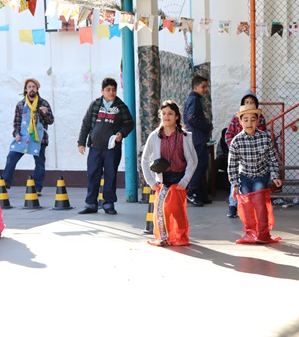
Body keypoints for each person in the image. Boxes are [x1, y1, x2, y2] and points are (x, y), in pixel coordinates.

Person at [141, 100, 198, 246]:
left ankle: (179, 237)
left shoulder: (185, 136)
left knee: (177, 210)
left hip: (179, 178)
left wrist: (184, 181)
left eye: (170, 114)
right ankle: (163, 237)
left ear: (177, 116)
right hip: (163, 179)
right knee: (162, 209)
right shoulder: (154, 136)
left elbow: (192, 161)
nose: (167, 117)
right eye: (164, 113)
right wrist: (151, 181)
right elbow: (145, 159)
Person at [77, 77, 134, 215]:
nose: (111, 92)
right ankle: (91, 204)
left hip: (112, 149)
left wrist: (121, 134)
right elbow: (85, 124)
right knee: (93, 174)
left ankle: (108, 204)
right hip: (95, 147)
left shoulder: (120, 107)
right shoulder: (95, 105)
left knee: (110, 175)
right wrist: (81, 143)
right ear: (102, 91)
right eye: (108, 90)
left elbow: (129, 124)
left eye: (114, 90)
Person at [228, 104, 281, 244]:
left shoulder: (265, 138)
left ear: (257, 121)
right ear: (240, 122)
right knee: (247, 205)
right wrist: (235, 184)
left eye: (253, 119)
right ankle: (250, 233)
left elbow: (272, 159)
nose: (249, 123)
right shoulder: (236, 141)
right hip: (245, 177)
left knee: (259, 202)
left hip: (261, 175)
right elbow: (232, 165)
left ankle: (263, 233)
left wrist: (275, 176)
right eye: (245, 120)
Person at [2, 78, 54, 195]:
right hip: (23, 137)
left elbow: (50, 121)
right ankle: (5, 182)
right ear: (26, 89)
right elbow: (17, 122)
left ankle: (37, 188)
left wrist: (45, 113)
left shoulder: (44, 104)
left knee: (40, 163)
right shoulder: (20, 105)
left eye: (34, 87)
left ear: (37, 89)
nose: (31, 89)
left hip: (39, 138)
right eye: (29, 87)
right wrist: (16, 134)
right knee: (11, 156)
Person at [224, 90, 268, 218]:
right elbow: (228, 135)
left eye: (252, 102)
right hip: (240, 154)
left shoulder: (260, 118)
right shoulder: (236, 117)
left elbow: (263, 136)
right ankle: (233, 205)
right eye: (246, 102)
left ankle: (252, 209)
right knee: (236, 179)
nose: (249, 104)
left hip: (255, 157)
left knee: (253, 187)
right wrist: (235, 149)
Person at [183, 75, 213, 207]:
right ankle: (191, 192)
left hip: (195, 138)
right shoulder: (194, 100)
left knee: (200, 166)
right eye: (203, 87)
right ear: (195, 87)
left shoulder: (192, 99)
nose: (205, 90)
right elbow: (192, 118)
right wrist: (206, 126)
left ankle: (200, 194)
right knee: (200, 166)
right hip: (197, 139)